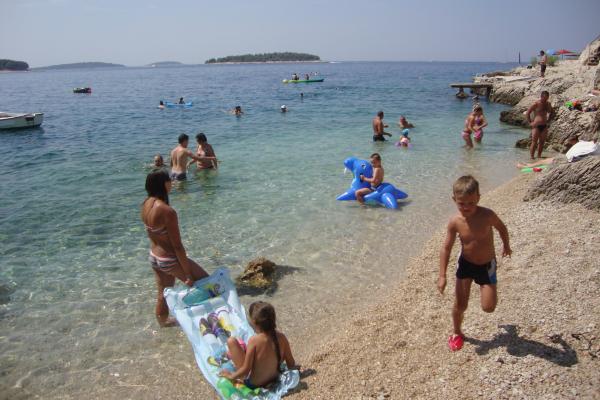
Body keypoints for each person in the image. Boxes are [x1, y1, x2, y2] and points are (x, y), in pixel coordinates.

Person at [437, 176, 511, 351]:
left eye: (471, 202)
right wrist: (442, 275)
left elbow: (502, 228)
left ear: (478, 197)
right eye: (461, 203)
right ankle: (456, 332)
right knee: (461, 304)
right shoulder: (455, 222)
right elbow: (446, 248)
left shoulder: (487, 215)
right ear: (454, 200)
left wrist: (506, 245)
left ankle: (487, 289)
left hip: (487, 266)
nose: (466, 207)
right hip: (466, 264)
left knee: (488, 307)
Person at [141, 170, 209, 327]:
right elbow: (177, 246)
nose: (171, 183)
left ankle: (163, 324)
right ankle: (210, 322)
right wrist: (187, 274)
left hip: (154, 256)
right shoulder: (167, 211)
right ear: (164, 184)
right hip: (169, 258)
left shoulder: (145, 204)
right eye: (169, 181)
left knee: (162, 293)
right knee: (207, 284)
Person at [219, 301, 296, 389]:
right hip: (274, 378)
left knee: (231, 341)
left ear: (254, 322)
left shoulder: (254, 341)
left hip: (255, 384)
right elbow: (291, 363)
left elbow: (246, 370)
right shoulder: (282, 337)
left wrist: (231, 376)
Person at [525, 91, 554, 159]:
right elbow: (528, 112)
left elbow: (552, 112)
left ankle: (539, 156)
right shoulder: (536, 104)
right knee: (534, 142)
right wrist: (530, 122)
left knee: (542, 142)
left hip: (544, 126)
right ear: (541, 96)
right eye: (544, 97)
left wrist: (549, 120)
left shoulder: (548, 104)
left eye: (547, 97)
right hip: (536, 126)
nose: (546, 99)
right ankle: (532, 157)